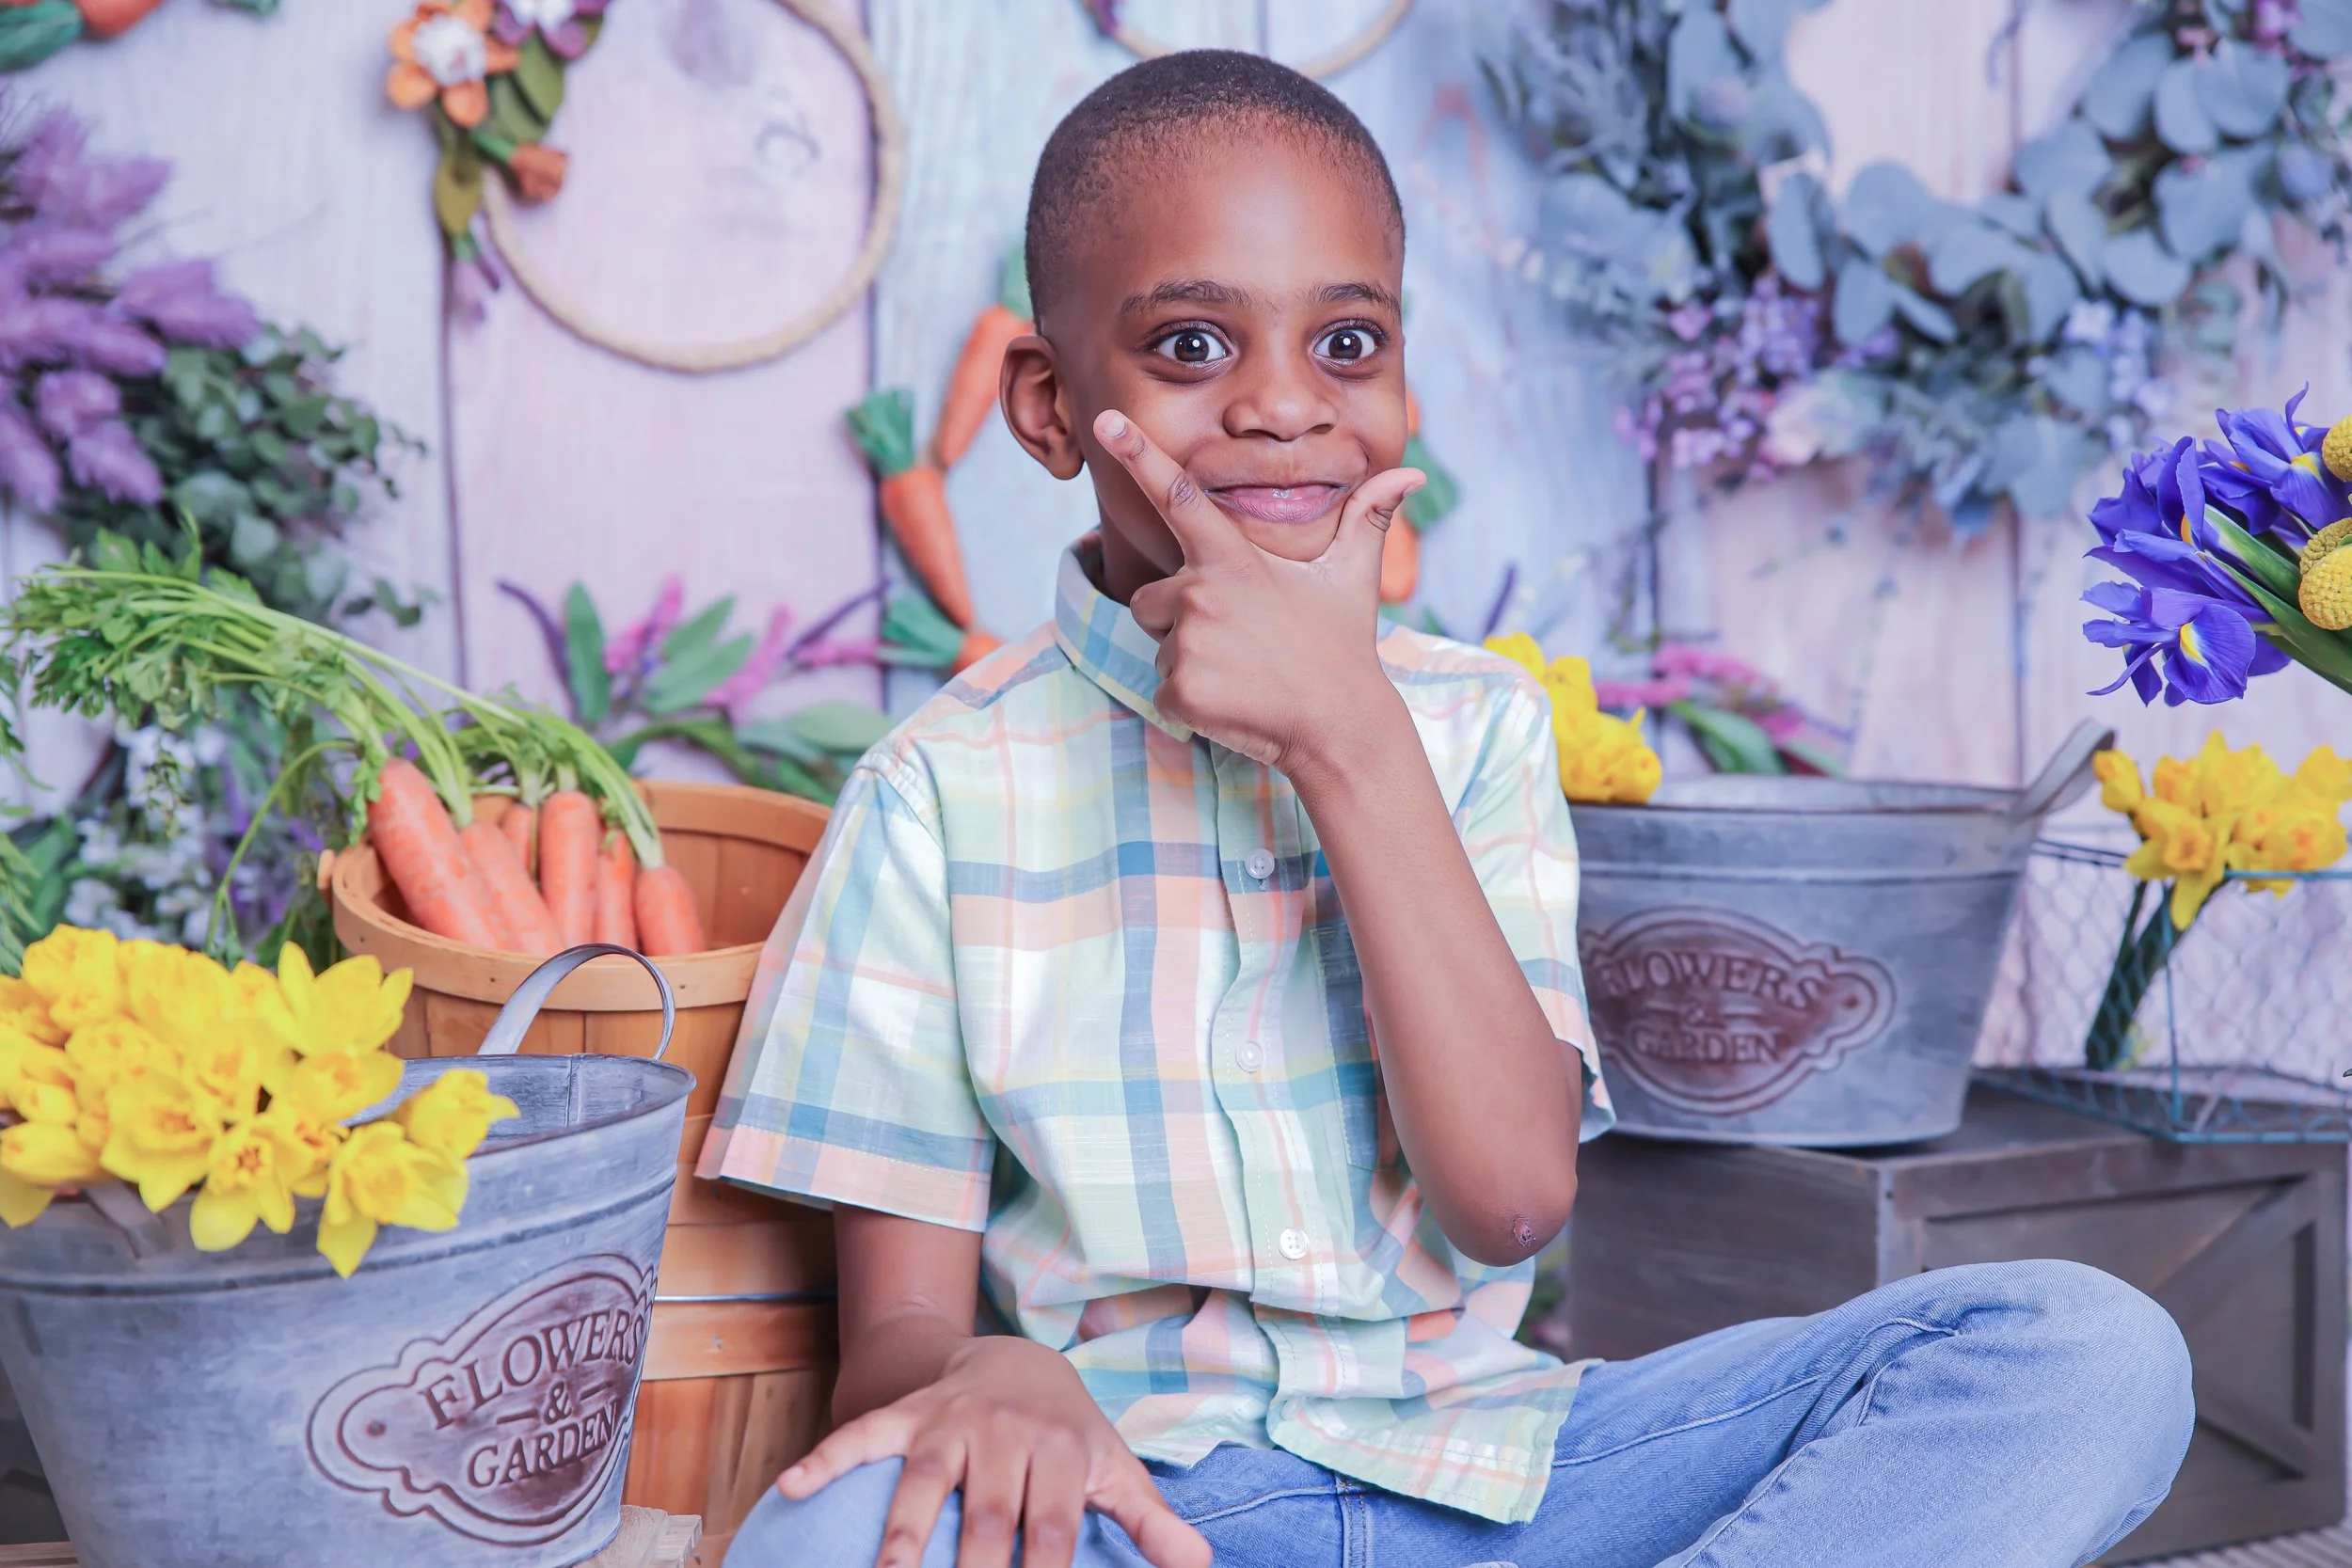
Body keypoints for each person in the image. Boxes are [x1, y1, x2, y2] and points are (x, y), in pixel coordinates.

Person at [702, 48, 2195, 1568]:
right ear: (1047, 404)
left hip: (1514, 1483)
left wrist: (1351, 737)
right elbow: (889, 1343)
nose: (1284, 405)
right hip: (1148, 1507)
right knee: (816, 1536)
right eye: (1194, 342)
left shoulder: (1470, 726)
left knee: (2085, 1352)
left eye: (1347, 340)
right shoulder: (933, 794)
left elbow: (1508, 1196)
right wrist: (996, 1374)